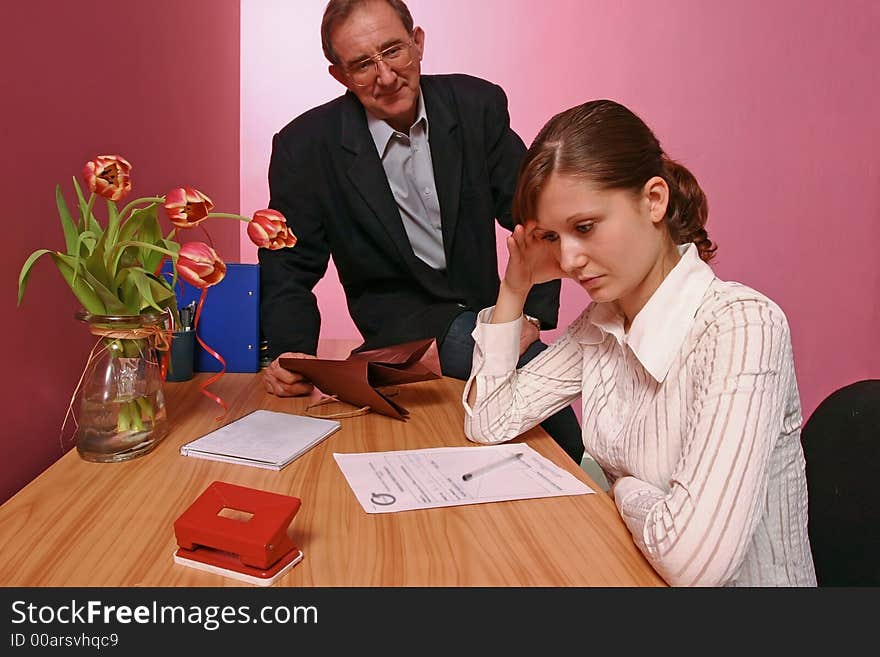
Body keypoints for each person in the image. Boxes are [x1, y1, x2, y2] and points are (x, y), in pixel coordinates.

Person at [464, 99, 817, 587]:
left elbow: (696, 565)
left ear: (654, 200)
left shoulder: (743, 327)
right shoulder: (602, 323)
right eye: (553, 236)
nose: (568, 260)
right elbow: (488, 420)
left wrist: (623, 489)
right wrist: (513, 288)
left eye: (584, 228)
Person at [258, 0, 583, 463]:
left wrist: (528, 317)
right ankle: (582, 479)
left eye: (393, 51)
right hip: (399, 332)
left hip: (484, 309)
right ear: (340, 76)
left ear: (418, 42)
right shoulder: (305, 147)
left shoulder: (477, 107)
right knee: (529, 373)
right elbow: (288, 265)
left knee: (519, 371)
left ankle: (579, 488)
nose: (385, 77)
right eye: (363, 65)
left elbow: (535, 216)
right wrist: (293, 354)